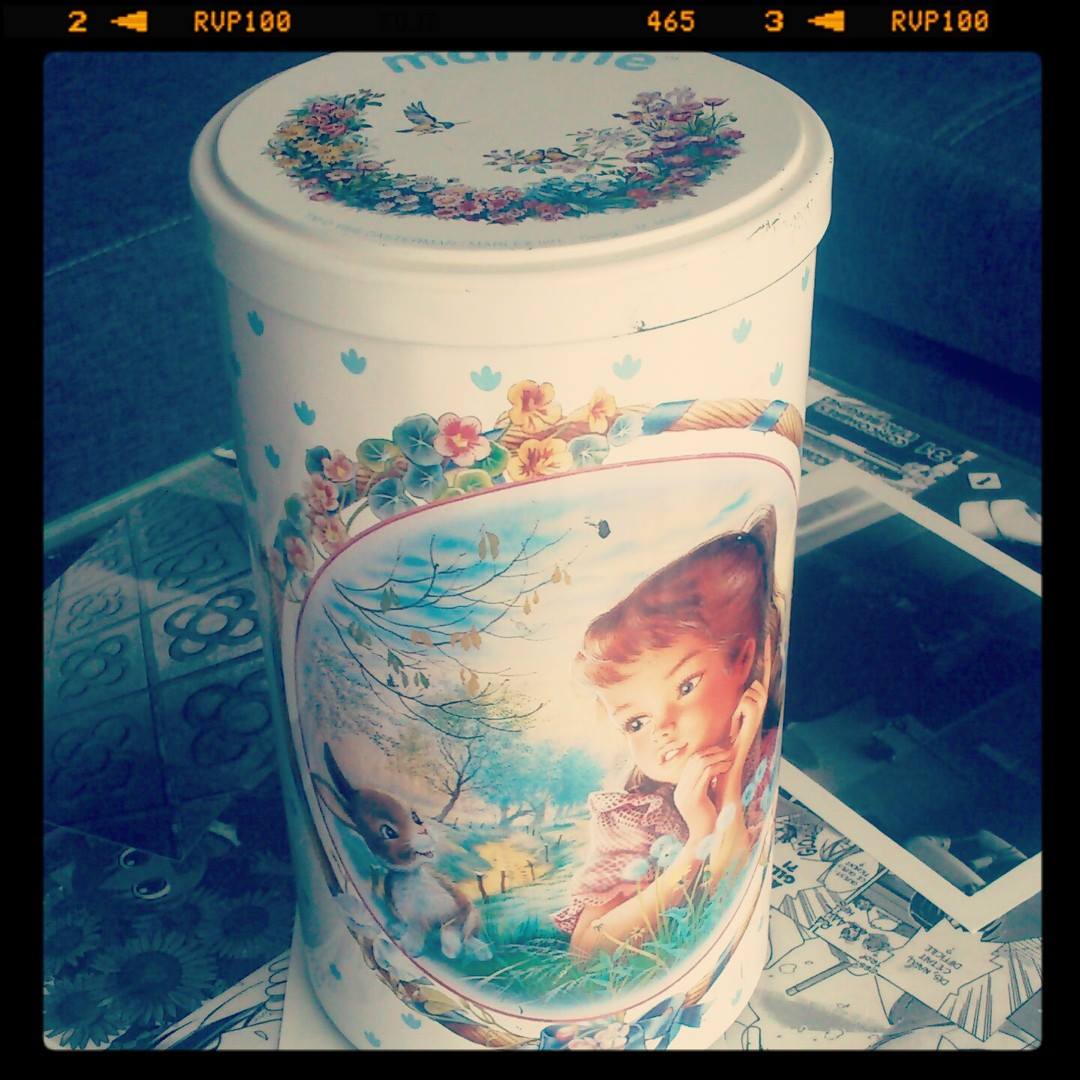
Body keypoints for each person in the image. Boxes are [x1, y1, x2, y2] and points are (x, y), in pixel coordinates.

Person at [553, 507, 785, 960]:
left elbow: (732, 889)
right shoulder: (637, 814)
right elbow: (587, 949)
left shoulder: (763, 758)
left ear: (741, 659)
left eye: (686, 687)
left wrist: (730, 788)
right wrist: (699, 836)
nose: (663, 730)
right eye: (636, 723)